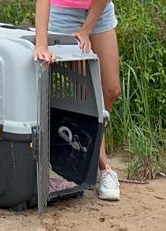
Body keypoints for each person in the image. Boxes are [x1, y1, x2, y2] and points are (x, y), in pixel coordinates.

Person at [35, 0, 123, 201]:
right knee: (85, 95)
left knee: (111, 89)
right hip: (63, 13)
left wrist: (86, 30)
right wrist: (41, 44)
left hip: (100, 12)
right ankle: (103, 168)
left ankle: (88, 157)